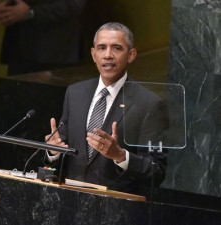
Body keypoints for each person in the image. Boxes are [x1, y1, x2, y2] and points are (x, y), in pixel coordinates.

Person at [45, 22, 169, 196]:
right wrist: (53, 152)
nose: (108, 55)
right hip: (70, 201)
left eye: (117, 48)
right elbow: (62, 148)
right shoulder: (75, 93)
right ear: (93, 54)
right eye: (101, 48)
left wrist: (120, 156)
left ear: (131, 55)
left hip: (116, 210)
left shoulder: (150, 104)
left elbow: (157, 171)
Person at [0, 0, 87, 75]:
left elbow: (73, 6)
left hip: (53, 54)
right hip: (19, 50)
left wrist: (30, 13)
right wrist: (8, 6)